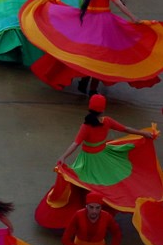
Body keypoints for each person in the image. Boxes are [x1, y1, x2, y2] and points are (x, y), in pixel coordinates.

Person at [23, 0, 163, 94]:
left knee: (86, 53)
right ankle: (92, 88)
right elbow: (119, 5)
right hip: (104, 25)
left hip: (88, 21)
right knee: (102, 58)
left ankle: (84, 81)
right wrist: (134, 18)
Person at [42, 94, 163, 227]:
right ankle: (103, 207)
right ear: (103, 109)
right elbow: (126, 129)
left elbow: (76, 143)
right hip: (104, 156)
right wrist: (143, 133)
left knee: (85, 184)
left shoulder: (86, 126)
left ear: (89, 108)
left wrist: (63, 156)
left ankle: (85, 209)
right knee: (106, 184)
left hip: (89, 160)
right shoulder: (107, 121)